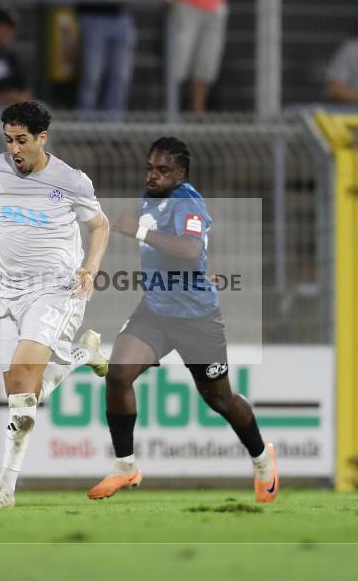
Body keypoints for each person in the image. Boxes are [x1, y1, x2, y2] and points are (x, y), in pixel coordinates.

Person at [0, 101, 111, 509]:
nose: (14, 148)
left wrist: (91, 266)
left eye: (22, 140)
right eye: (9, 140)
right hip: (11, 292)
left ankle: (4, 489)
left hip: (58, 290)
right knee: (20, 391)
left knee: (23, 382)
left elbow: (99, 225)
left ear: (41, 138)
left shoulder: (70, 180)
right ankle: (80, 354)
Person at [88, 136, 279, 503]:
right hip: (155, 312)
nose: (153, 176)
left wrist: (140, 231)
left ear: (181, 173)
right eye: (150, 168)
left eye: (162, 170)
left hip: (197, 320)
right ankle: (125, 466)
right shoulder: (150, 200)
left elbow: (191, 250)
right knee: (118, 375)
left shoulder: (187, 201)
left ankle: (261, 458)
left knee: (220, 400)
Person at [72, 0, 137, 114]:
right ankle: (84, 123)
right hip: (93, 16)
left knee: (120, 76)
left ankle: (113, 125)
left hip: (121, 16)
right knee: (91, 76)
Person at [167, 0, 228, 113]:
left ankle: (197, 115)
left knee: (206, 66)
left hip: (215, 5)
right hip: (186, 3)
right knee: (178, 64)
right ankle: (171, 114)